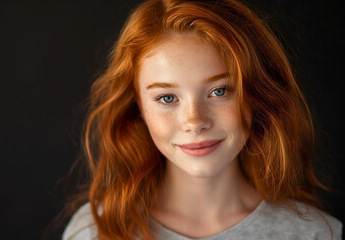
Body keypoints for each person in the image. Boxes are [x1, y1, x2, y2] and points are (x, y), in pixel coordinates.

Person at [61, 0, 342, 239]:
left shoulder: (314, 233)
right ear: (140, 108)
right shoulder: (95, 231)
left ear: (257, 95)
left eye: (219, 91)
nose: (194, 121)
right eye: (167, 98)